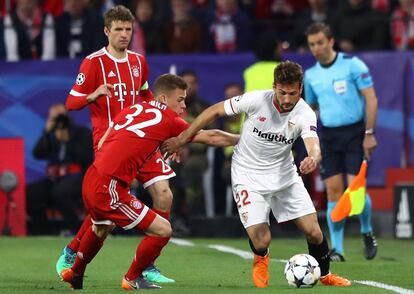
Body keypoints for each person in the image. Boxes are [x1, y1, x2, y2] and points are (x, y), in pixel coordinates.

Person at [162, 61, 351, 288]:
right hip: (247, 175)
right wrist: (182, 140)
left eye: (292, 93)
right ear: (274, 87)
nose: (287, 99)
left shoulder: (304, 113)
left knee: (313, 231)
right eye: (282, 92)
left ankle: (325, 274)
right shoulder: (256, 100)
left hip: (284, 176)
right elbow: (214, 111)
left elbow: (313, 143)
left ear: (300, 89)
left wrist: (313, 157)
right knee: (261, 239)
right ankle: (261, 257)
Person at [60, 73, 239, 290]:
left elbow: (107, 137)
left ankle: (75, 273)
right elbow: (211, 137)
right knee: (163, 229)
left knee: (101, 227)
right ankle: (132, 277)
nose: (184, 105)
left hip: (93, 177)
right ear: (163, 99)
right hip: (110, 187)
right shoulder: (168, 118)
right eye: (180, 99)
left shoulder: (135, 108)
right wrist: (246, 139)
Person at [56, 5, 170, 283]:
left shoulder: (138, 62)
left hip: (140, 140)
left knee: (164, 194)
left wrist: (159, 113)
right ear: (106, 31)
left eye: (128, 29)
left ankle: (149, 263)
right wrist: (93, 94)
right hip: (109, 144)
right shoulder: (92, 63)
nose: (124, 34)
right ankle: (72, 252)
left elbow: (144, 95)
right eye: (118, 29)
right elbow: (71, 103)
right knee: (105, 215)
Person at [304, 22, 378, 261]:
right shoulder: (311, 75)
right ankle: (337, 249)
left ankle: (366, 230)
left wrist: (369, 133)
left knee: (355, 192)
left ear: (331, 42)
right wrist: (310, 136)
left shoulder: (352, 65)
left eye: (320, 43)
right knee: (334, 190)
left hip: (355, 133)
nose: (316, 48)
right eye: (312, 44)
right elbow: (312, 109)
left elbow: (371, 98)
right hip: (329, 136)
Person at [26, 103, 93, 235]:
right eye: (54, 118)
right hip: (54, 178)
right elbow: (37, 153)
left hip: (78, 177)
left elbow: (86, 157)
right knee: (30, 192)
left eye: (60, 117)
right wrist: (46, 133)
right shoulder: (50, 136)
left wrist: (68, 140)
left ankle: (77, 231)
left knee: (60, 192)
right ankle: (44, 231)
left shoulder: (82, 132)